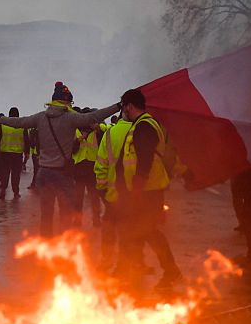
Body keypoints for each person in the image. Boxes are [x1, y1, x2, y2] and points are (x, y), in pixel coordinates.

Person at [0, 82, 119, 236]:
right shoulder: (70, 118)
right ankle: (63, 249)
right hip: (63, 174)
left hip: (44, 173)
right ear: (67, 102)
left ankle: (46, 244)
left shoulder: (41, 117)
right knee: (66, 214)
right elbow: (94, 117)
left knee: (46, 214)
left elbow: (19, 122)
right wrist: (118, 106)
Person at [114, 89, 183, 287]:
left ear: (129, 106)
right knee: (139, 231)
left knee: (147, 231)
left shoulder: (144, 126)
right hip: (144, 190)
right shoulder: (143, 124)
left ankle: (170, 271)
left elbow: (144, 160)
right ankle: (132, 269)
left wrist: (136, 187)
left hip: (146, 191)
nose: (123, 111)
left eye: (124, 107)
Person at [95, 117, 133, 269]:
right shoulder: (142, 130)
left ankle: (106, 261)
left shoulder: (111, 133)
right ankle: (127, 264)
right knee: (130, 230)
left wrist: (101, 189)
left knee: (109, 228)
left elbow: (101, 165)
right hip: (137, 194)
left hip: (112, 193)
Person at [73, 118, 103, 226]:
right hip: (79, 167)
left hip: (91, 167)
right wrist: (79, 139)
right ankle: (77, 220)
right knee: (78, 197)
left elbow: (103, 137)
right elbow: (71, 149)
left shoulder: (96, 132)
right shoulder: (75, 131)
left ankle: (96, 219)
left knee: (94, 196)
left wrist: (98, 128)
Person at [0, 107, 25, 199]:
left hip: (5, 152)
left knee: (5, 172)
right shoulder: (22, 127)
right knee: (16, 174)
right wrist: (27, 153)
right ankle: (16, 192)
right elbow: (26, 140)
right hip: (17, 153)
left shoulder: (3, 126)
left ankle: (3, 189)